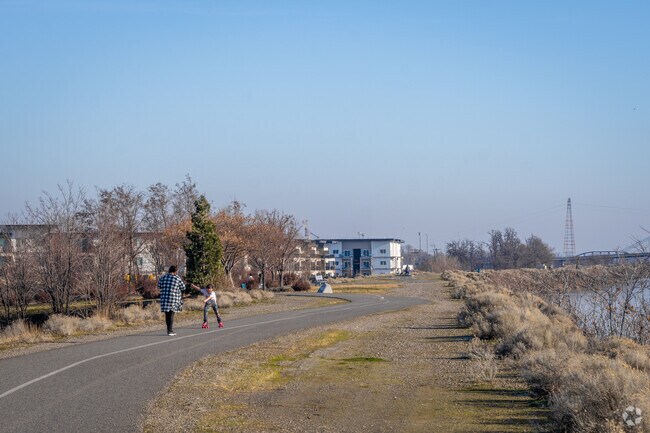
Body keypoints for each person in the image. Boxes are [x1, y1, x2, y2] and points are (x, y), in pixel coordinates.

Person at [158, 265, 186, 336]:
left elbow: (159, 286)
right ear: (175, 271)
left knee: (167, 315)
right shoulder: (177, 278)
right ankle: (170, 331)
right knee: (171, 315)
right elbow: (183, 287)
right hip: (173, 299)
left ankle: (168, 329)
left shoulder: (163, 277)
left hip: (164, 299)